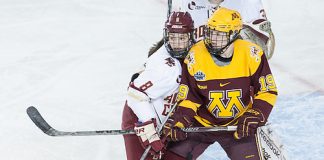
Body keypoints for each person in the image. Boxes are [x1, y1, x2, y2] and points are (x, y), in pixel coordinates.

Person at [162, 7, 278, 160]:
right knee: (171, 157)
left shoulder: (252, 54)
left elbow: (267, 91)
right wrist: (182, 119)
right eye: (211, 32)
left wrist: (256, 114)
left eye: (220, 34)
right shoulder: (196, 55)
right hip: (201, 124)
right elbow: (190, 96)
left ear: (234, 34)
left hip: (238, 124)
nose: (213, 38)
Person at [121, 11, 195, 160]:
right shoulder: (166, 68)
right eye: (173, 37)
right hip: (139, 121)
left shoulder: (192, 54)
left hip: (166, 123)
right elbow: (135, 95)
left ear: (190, 36)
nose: (177, 43)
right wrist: (149, 130)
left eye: (182, 37)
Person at [150, 0, 275, 59]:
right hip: (198, 73)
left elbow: (263, 49)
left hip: (236, 75)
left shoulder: (248, 3)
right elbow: (177, 37)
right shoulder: (186, 2)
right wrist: (152, 63)